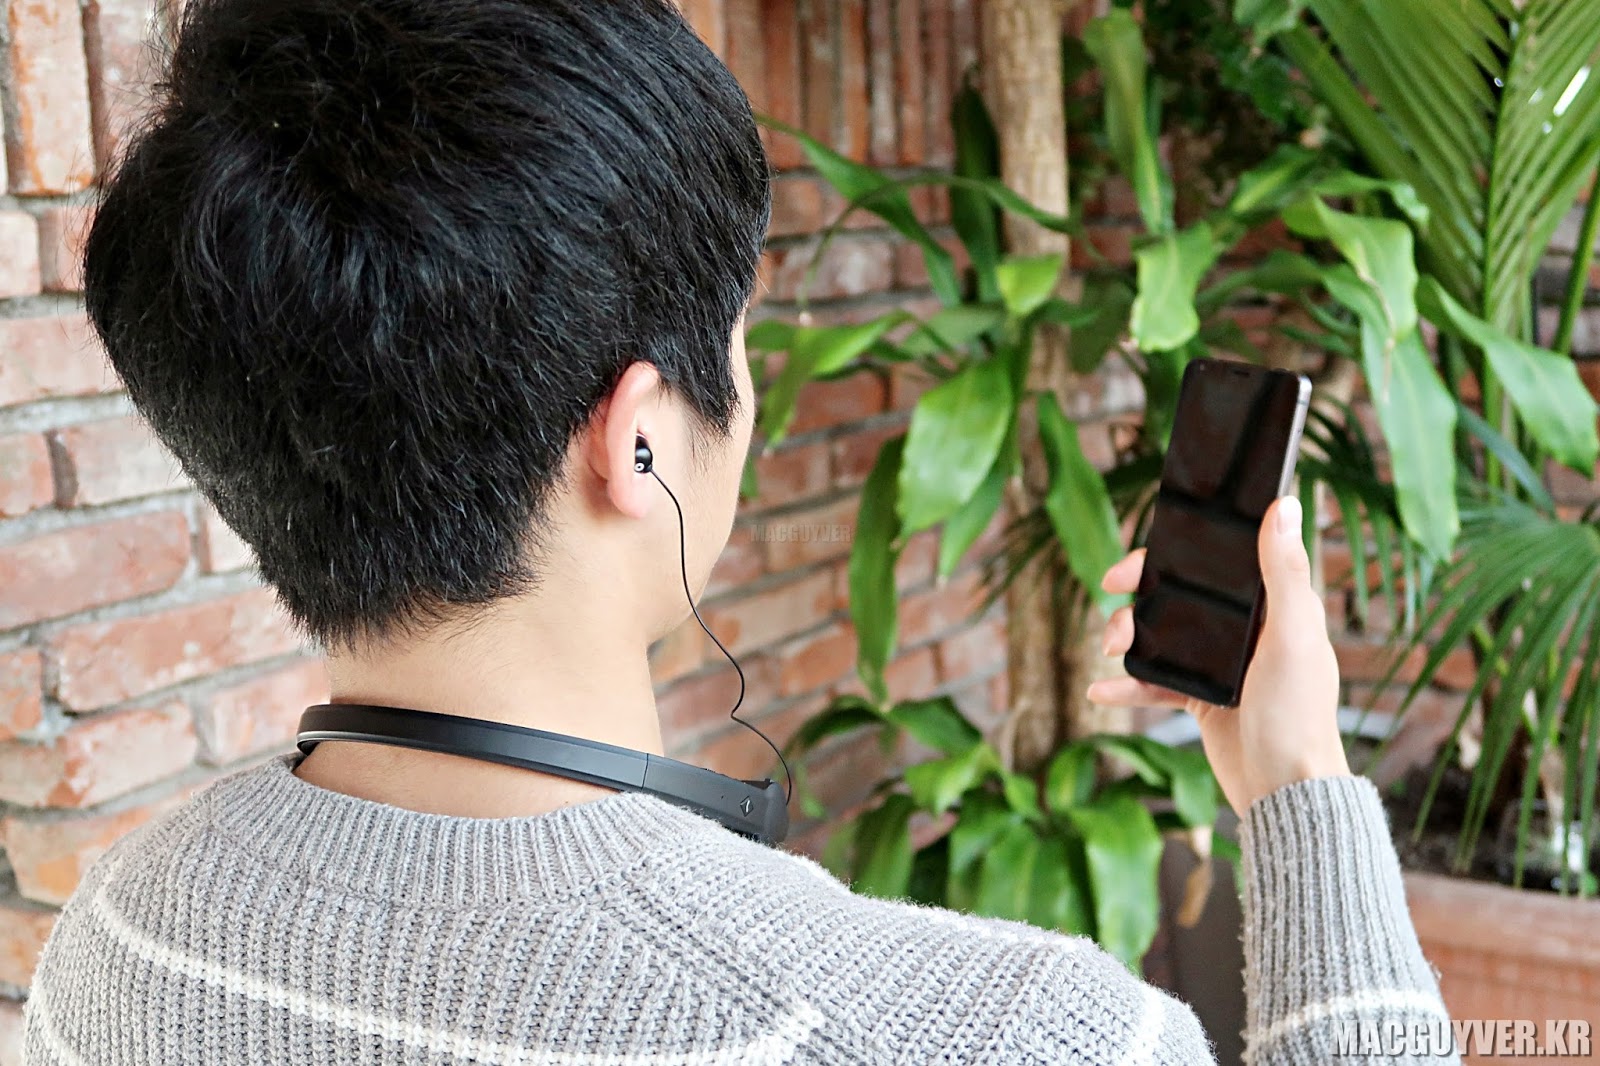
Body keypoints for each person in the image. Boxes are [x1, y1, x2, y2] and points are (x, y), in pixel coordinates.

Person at [24, 0, 1455, 1062]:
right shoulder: (1018, 1036)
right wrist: (1299, 782)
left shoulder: (114, 946)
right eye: (741, 333)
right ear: (636, 437)